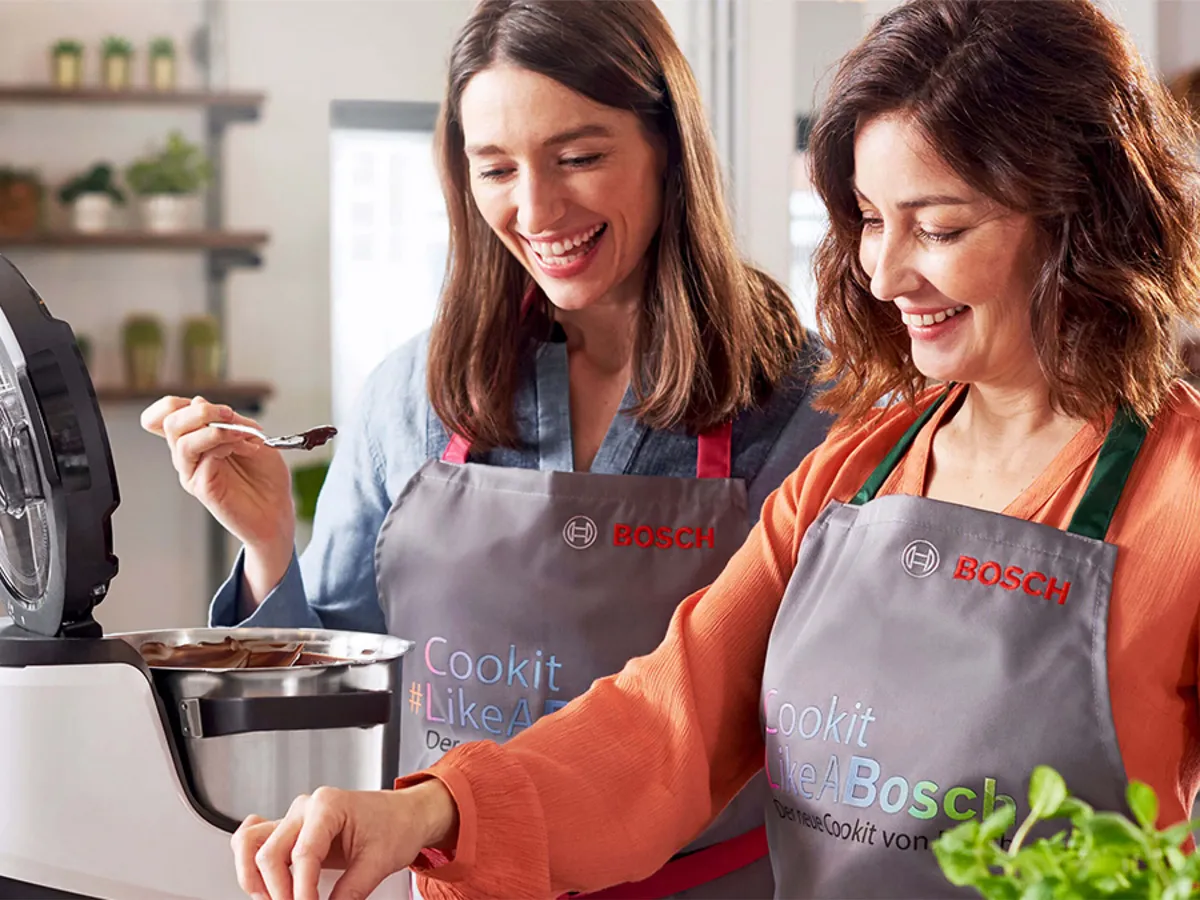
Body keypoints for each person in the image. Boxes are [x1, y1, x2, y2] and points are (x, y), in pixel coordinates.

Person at [224, 0, 1200, 898]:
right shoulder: (852, 476)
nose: (885, 271)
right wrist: (426, 809)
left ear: (1086, 220)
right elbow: (661, 728)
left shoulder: (1182, 500)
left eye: (938, 227)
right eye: (866, 220)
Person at [141, 1, 832, 897]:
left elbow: (823, 720)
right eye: (495, 167)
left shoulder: (800, 406)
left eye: (579, 157)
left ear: (670, 149)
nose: (536, 209)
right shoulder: (416, 393)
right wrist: (269, 543)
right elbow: (352, 690)